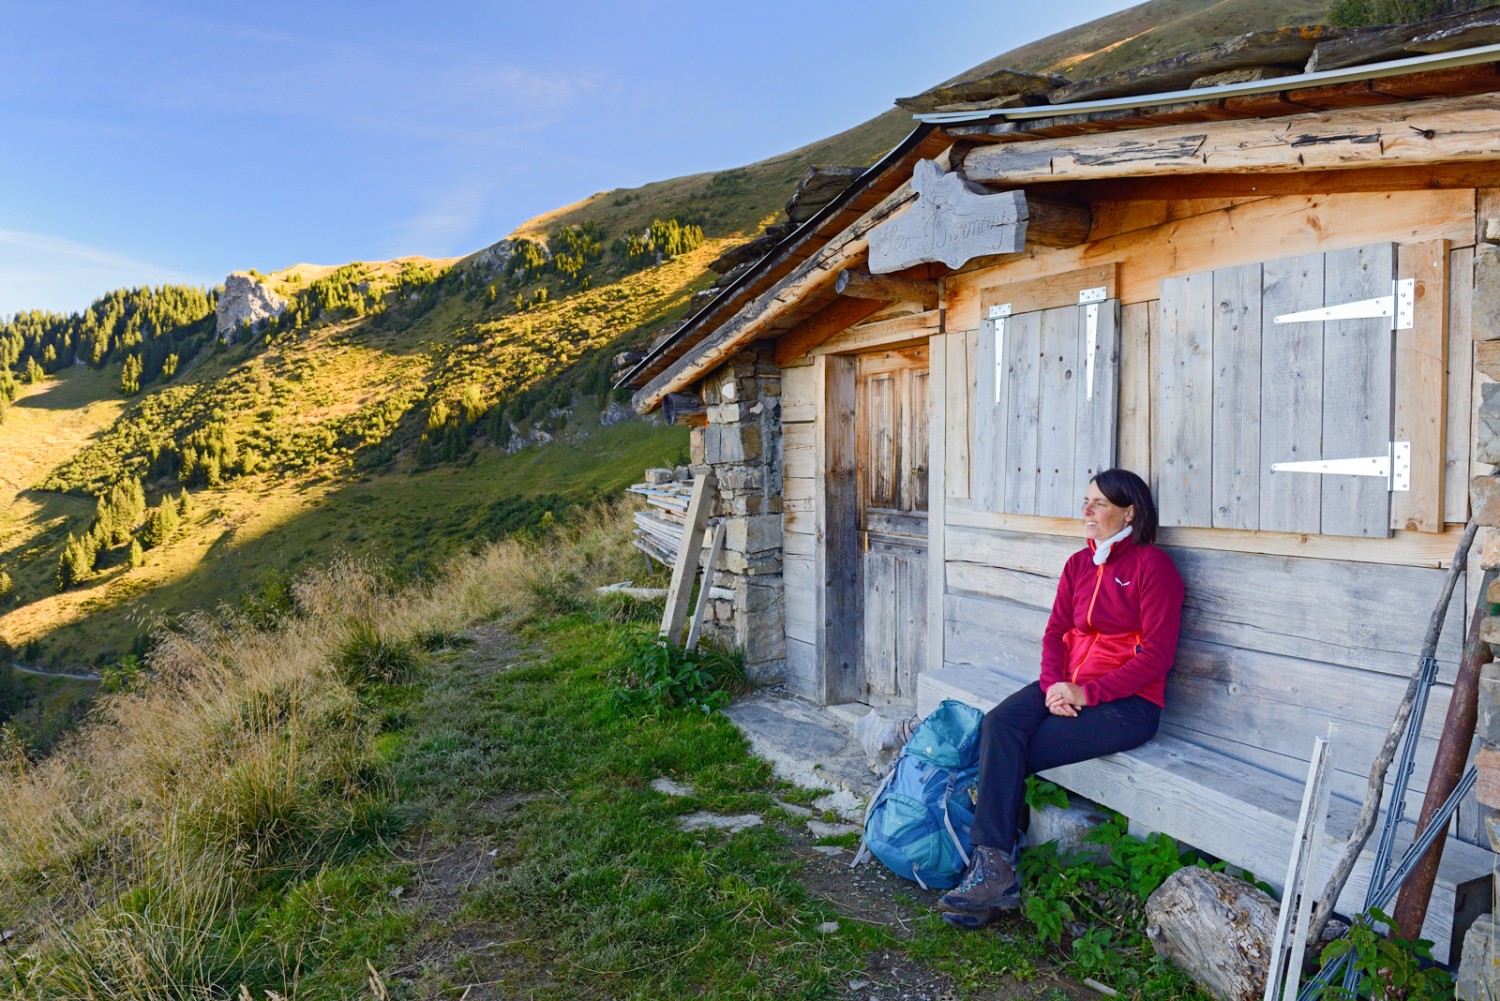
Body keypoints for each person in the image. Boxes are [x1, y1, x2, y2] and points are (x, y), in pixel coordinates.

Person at [938, 468, 1185, 929]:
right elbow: (1056, 633)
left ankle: (993, 874)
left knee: (1013, 753)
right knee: (999, 725)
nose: (1086, 511)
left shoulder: (1153, 568)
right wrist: (1054, 685)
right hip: (1067, 683)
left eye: (1099, 504)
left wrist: (1087, 693)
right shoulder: (1078, 564)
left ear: (1129, 511)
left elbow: (1156, 656)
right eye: (1086, 500)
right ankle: (994, 868)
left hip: (1128, 705)